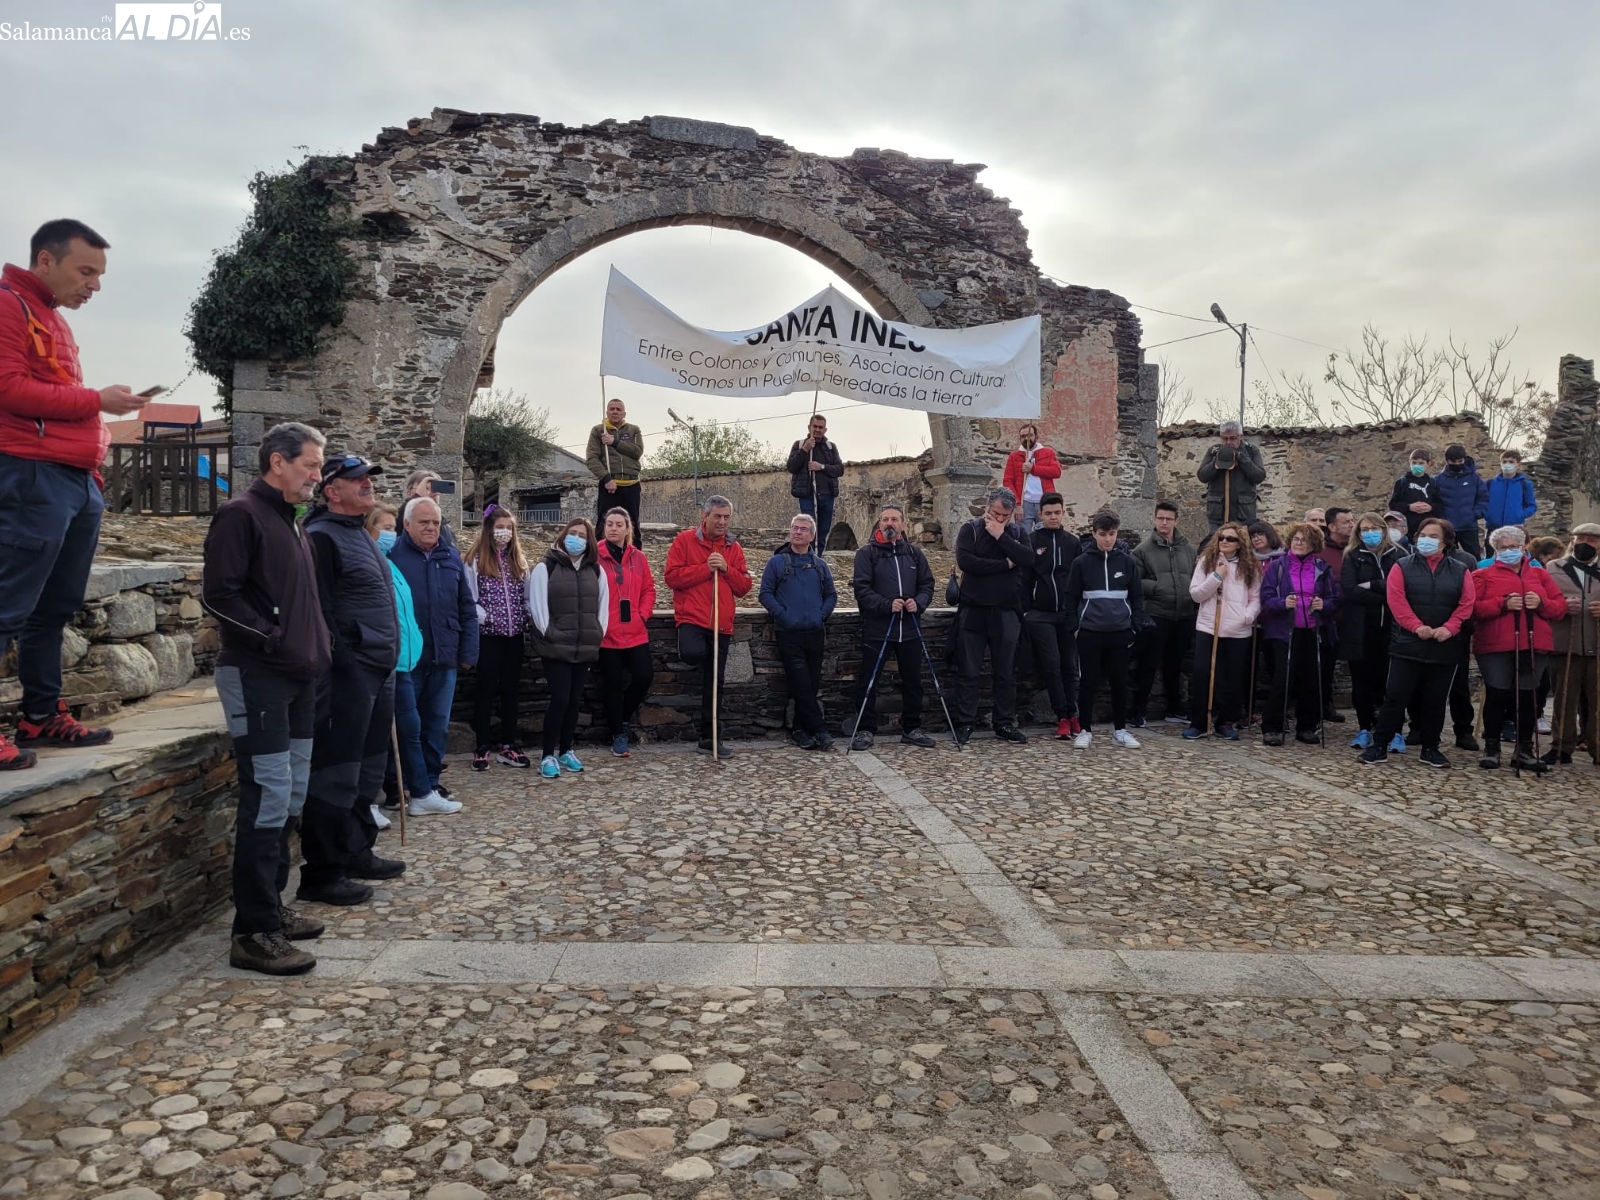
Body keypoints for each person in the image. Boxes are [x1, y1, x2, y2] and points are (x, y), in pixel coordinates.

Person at [0, 219, 148, 770]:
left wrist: (91, 469)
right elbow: (8, 388)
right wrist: (96, 401)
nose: (95, 285)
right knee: (8, 605)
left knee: (53, 608)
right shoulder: (9, 305)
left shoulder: (48, 316)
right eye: (86, 271)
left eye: (99, 274)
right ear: (45, 260)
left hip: (71, 480)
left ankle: (40, 715)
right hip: (31, 475)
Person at [201, 423, 331, 974]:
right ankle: (252, 932)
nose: (317, 477)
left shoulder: (291, 523)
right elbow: (219, 594)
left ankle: (271, 910)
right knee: (269, 797)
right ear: (277, 463)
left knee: (292, 795)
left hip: (299, 680)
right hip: (258, 677)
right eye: (311, 465)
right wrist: (273, 637)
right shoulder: (241, 515)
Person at [300, 456, 406, 908]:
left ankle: (356, 850)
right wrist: (345, 662)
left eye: (368, 480)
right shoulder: (322, 538)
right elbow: (318, 610)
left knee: (365, 772)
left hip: (377, 672)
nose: (367, 485)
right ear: (331, 491)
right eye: (357, 480)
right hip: (348, 675)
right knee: (335, 773)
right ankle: (322, 873)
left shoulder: (357, 534)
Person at [1358, 517, 1476, 768]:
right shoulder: (1402, 566)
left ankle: (1431, 747)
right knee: (1396, 697)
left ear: (1445, 542)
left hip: (1444, 644)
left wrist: (1449, 628)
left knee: (1435, 699)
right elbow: (1396, 600)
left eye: (1433, 536)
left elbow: (1466, 604)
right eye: (1423, 534)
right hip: (1407, 644)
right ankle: (1380, 745)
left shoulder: (1460, 569)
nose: (1426, 540)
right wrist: (1415, 626)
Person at [390, 496, 480, 803]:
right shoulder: (392, 556)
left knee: (436, 725)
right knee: (406, 726)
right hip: (408, 660)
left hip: (445, 657)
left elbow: (466, 608)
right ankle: (398, 783)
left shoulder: (451, 556)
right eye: (424, 522)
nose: (431, 528)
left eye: (436, 523)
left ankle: (429, 782)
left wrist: (468, 653)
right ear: (407, 525)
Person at [367, 504, 451, 823]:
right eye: (383, 528)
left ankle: (420, 793)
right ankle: (371, 800)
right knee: (379, 735)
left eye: (392, 528)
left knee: (411, 729)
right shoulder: (373, 564)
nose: (389, 534)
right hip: (385, 662)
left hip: (404, 661)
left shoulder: (390, 565)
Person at [1471, 525, 1566, 772]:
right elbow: (1472, 609)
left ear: (1524, 547)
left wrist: (1541, 603)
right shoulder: (1482, 575)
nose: (1509, 551)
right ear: (1495, 550)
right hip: (1495, 645)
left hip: (1534, 644)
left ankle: (1523, 750)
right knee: (1497, 694)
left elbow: (1559, 608)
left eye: (1514, 546)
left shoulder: (1541, 575)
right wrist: (1501, 604)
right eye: (1503, 547)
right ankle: (1492, 748)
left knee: (1529, 697)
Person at [665, 495, 752, 758]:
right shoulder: (684, 541)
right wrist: (705, 568)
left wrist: (725, 568)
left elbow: (744, 587)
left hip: (721, 624)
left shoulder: (733, 548)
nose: (722, 522)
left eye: (726, 517)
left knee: (715, 684)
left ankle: (709, 737)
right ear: (705, 517)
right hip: (692, 618)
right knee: (693, 653)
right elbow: (672, 577)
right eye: (718, 516)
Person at [850, 505, 937, 750]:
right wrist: (887, 605)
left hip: (909, 628)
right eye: (886, 519)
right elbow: (862, 590)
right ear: (879, 524)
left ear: (903, 525)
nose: (890, 523)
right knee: (869, 681)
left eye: (895, 519)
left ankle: (912, 728)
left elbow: (927, 585)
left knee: (913, 681)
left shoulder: (915, 554)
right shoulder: (867, 554)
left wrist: (917, 603)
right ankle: (865, 730)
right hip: (879, 628)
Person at [528, 517, 608, 777]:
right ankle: (547, 755)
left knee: (574, 701)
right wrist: (550, 633)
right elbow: (538, 606)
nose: (576, 538)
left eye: (582, 535)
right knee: (560, 699)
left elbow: (603, 606)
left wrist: (598, 633)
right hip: (556, 646)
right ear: (564, 535)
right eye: (572, 533)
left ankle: (566, 750)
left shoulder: (595, 570)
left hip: (584, 645)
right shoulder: (546, 566)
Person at [954, 487, 1034, 744]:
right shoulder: (971, 530)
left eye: (1005, 515)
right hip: (973, 610)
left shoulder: (1018, 533)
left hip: (1006, 611)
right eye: (996, 513)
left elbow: (1027, 558)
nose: (999, 519)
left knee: (1006, 671)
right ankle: (965, 722)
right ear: (988, 507)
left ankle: (1004, 722)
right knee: (969, 669)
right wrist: (1004, 565)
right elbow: (967, 562)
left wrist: (1001, 537)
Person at [1063, 508, 1144, 748]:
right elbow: (1071, 598)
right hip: (1090, 633)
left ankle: (1120, 729)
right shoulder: (1081, 563)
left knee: (1120, 682)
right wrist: (1075, 628)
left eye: (1112, 534)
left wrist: (1134, 627)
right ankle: (1085, 729)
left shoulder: (1128, 562)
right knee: (1088, 682)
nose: (1108, 539)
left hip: (1120, 632)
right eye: (1103, 534)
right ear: (1094, 534)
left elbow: (1137, 597)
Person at [463, 504, 533, 771]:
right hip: (488, 637)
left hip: (514, 636)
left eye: (508, 528)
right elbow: (469, 599)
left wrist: (526, 614)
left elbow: (526, 595)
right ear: (488, 529)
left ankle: (508, 745)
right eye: (499, 527)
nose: (503, 532)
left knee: (511, 691)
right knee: (485, 690)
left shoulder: (519, 560)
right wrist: (486, 617)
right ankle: (482, 747)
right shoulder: (476, 560)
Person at [760, 513, 838, 749]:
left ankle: (799, 730)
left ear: (812, 536)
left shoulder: (820, 566)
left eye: (803, 529)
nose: (797, 532)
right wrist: (784, 615)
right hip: (789, 632)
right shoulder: (777, 563)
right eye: (795, 527)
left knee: (810, 683)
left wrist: (820, 615)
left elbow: (831, 595)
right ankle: (820, 730)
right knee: (801, 681)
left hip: (814, 631)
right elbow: (765, 594)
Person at [1260, 522, 1340, 746]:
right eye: (1295, 538)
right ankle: (1273, 726)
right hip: (1284, 631)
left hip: (1313, 631)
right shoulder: (1278, 567)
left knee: (1311, 680)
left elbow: (1335, 599)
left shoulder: (1322, 568)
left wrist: (1322, 604)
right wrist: (1282, 603)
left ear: (1313, 543)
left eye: (1303, 539)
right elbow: (1265, 598)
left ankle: (1307, 726)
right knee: (1282, 679)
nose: (1298, 543)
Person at [1183, 521, 1261, 740]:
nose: (1225, 542)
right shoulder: (1207, 562)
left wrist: (1246, 617)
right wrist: (1216, 576)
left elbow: (1256, 597)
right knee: (1202, 673)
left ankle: (1225, 721)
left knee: (1232, 677)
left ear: (1239, 544)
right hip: (1210, 627)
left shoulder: (1251, 566)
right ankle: (1199, 721)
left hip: (1237, 630)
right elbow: (1197, 594)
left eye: (1230, 539)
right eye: (1222, 538)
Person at [1340, 513, 1405, 751]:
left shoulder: (1399, 555)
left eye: (1374, 528)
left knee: (1392, 683)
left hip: (1392, 628)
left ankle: (1394, 730)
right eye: (1364, 528)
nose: (1369, 532)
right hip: (1361, 630)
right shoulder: (1352, 556)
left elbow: (1400, 588)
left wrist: (1373, 585)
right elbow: (1350, 589)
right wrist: (1384, 592)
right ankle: (1364, 727)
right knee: (1362, 683)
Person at [1021, 492, 1081, 739]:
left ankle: (1074, 713)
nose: (1053, 517)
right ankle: (1062, 717)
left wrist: (1076, 609)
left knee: (1070, 666)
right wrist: (1027, 610)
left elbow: (1078, 577)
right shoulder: (1032, 540)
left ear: (1063, 513)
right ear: (1040, 514)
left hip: (1067, 614)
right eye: (1048, 513)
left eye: (1057, 512)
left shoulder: (1072, 542)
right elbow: (1025, 577)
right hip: (1040, 615)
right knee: (1052, 665)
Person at [597, 506, 656, 758]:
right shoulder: (594, 555)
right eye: (609, 524)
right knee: (612, 685)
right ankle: (618, 733)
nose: (613, 528)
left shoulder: (638, 557)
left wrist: (642, 614)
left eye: (619, 524)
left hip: (634, 631)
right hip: (607, 633)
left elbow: (649, 589)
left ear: (627, 528)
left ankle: (620, 718)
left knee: (643, 677)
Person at [1131, 500, 1196, 727]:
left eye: (1169, 519)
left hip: (1184, 614)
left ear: (1176, 521)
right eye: (1161, 518)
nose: (1164, 523)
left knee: (1175, 665)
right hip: (1157, 613)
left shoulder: (1189, 550)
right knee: (1149, 664)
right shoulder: (1142, 550)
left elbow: (1196, 577)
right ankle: (1138, 710)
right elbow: (1134, 582)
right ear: (1154, 519)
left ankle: (1175, 708)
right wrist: (1156, 587)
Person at [1545, 523, 1600, 766]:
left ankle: (1597, 747)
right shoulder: (1553, 568)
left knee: (1598, 700)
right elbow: (1544, 602)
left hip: (1597, 645)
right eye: (1581, 538)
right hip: (1565, 643)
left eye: (1593, 540)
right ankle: (1561, 746)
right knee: (1564, 697)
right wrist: (1562, 607)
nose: (1585, 544)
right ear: (1572, 540)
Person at [586, 397, 644, 547]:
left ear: (624, 413)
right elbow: (591, 459)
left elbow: (637, 452)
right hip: (610, 486)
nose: (615, 412)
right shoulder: (598, 431)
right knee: (604, 523)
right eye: (612, 409)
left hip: (631, 484)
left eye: (618, 409)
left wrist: (615, 442)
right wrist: (606, 479)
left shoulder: (634, 430)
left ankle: (635, 557)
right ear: (607, 412)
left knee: (633, 524)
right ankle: (599, 557)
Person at [1316, 506, 1355, 723]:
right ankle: (1323, 705)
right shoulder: (1320, 552)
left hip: (1351, 615)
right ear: (1331, 526)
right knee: (1325, 664)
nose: (1351, 524)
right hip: (1327, 617)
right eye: (1346, 521)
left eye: (1352, 520)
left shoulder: (1355, 549)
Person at [787, 414, 844, 550]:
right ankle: (808, 558)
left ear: (825, 429)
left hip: (827, 495)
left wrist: (821, 467)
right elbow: (791, 467)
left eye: (821, 427)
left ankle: (818, 559)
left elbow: (840, 469)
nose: (817, 430)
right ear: (809, 427)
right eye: (815, 426)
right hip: (807, 495)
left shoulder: (830, 447)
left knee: (823, 531)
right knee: (809, 530)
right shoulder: (800, 445)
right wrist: (805, 450)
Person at [1196, 420, 1266, 531]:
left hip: (1244, 515)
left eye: (1232, 438)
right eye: (1225, 438)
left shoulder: (1251, 451)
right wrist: (1216, 462)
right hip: (1217, 516)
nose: (1228, 442)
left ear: (1240, 436)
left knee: (1243, 545)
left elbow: (1259, 476)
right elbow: (1202, 476)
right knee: (1215, 546)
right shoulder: (1214, 451)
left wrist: (1241, 458)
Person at [1002, 423, 1062, 533]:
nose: (1027, 439)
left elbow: (1056, 472)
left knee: (1046, 536)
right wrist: (1017, 504)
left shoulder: (1048, 453)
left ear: (1036, 436)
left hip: (1045, 502)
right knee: (1023, 537)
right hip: (1025, 503)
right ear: (1020, 439)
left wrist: (1033, 469)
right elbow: (1008, 482)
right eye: (1023, 436)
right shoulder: (1014, 457)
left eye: (1030, 435)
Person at [1435, 444, 1489, 559]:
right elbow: (1435, 502)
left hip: (1469, 527)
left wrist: (1474, 515)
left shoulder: (1474, 479)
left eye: (1460, 461)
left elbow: (1483, 499)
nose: (1457, 464)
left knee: (1474, 558)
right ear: (1447, 461)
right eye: (1453, 461)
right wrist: (1442, 519)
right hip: (1446, 528)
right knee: (1444, 559)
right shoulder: (1438, 480)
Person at [1388, 448, 1441, 541]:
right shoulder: (1402, 482)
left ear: (1428, 464)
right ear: (1410, 463)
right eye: (1414, 463)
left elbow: (1440, 505)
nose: (1417, 466)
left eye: (1421, 463)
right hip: (1408, 528)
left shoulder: (1433, 483)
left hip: (1427, 527)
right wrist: (1409, 507)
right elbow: (1393, 505)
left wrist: (1430, 507)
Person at [1485, 449, 1537, 533]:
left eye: (1511, 462)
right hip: (1492, 527)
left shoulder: (1525, 484)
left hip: (1515, 528)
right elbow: (1482, 502)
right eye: (1504, 462)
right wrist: (1488, 515)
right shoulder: (1490, 483)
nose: (1507, 464)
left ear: (1518, 465)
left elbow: (1532, 506)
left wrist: (1520, 515)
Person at [403, 470, 458, 549]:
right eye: (426, 488)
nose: (433, 493)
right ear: (409, 494)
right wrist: (417, 497)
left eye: (435, 488)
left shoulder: (445, 526)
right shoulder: (401, 519)